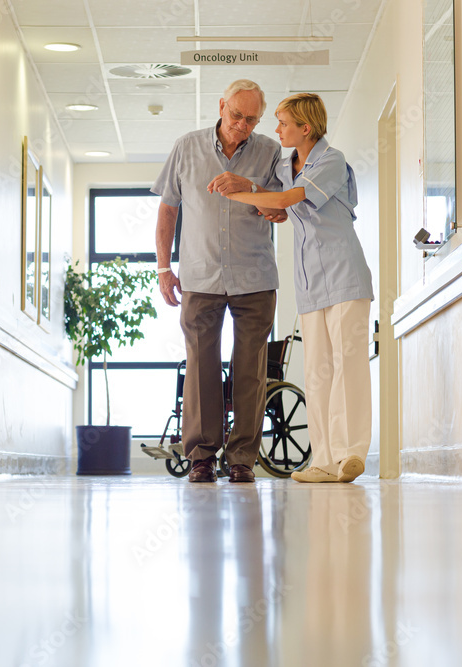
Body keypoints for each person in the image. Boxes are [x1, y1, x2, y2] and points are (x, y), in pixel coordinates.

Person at [225, 92, 374, 483]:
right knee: (319, 372)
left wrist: (238, 192)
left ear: (305, 128)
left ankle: (350, 454)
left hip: (345, 274)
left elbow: (290, 198)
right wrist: (261, 200)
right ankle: (323, 459)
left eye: (283, 123)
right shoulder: (287, 164)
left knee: (348, 366)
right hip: (310, 281)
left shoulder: (331, 159)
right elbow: (279, 206)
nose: (277, 130)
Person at [152, 79, 283, 484]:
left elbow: (280, 211)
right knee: (201, 368)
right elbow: (168, 211)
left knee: (250, 370)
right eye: (236, 115)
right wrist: (163, 268)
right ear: (221, 105)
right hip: (199, 276)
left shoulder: (270, 151)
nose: (242, 125)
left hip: (254, 276)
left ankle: (242, 458)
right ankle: (202, 457)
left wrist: (251, 188)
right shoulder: (186, 147)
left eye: (251, 120)